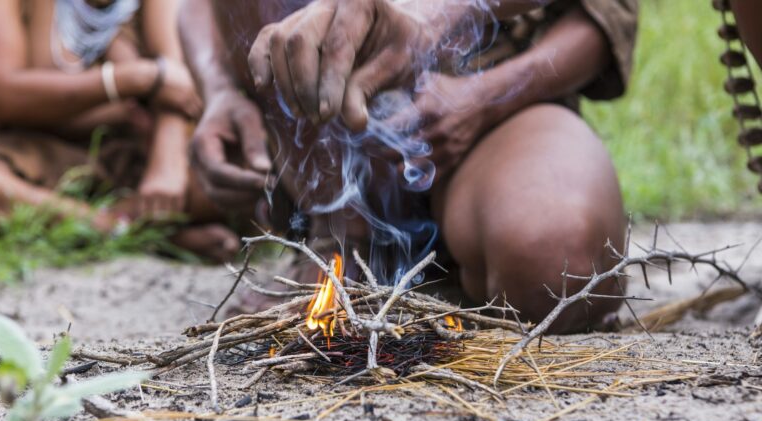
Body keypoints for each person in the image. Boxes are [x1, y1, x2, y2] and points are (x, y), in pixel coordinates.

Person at [180, 0, 638, 332]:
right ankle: (339, 245)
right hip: (318, 141)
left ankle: (455, 245)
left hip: (494, 93)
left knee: (557, 269)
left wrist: (476, 89)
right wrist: (221, 92)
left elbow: (601, 15)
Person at [0, 0, 249, 262]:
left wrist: (167, 164)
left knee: (243, 167)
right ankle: (124, 228)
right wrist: (134, 79)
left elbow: (179, 80)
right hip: (31, 151)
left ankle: (131, 221)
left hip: (139, 158)